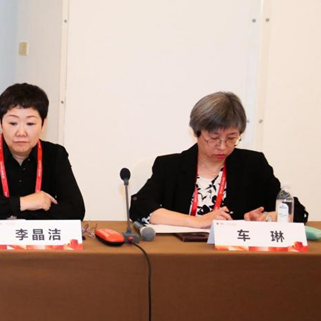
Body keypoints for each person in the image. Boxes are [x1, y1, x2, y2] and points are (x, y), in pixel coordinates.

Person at [130, 91, 307, 227]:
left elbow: (296, 210)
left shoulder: (253, 165)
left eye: (231, 138)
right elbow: (140, 207)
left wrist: (267, 218)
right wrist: (197, 221)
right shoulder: (170, 166)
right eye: (214, 138)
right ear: (196, 133)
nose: (222, 146)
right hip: (183, 253)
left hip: (237, 256)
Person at [0, 83, 85, 220]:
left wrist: (8, 209)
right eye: (13, 123)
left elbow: (76, 210)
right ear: (0, 123)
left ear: (43, 124)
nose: (21, 132)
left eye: (30, 123)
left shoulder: (55, 155)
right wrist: (23, 203)